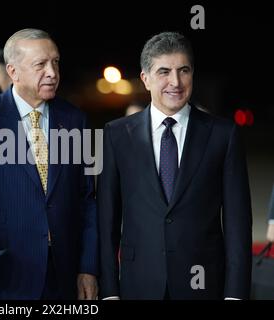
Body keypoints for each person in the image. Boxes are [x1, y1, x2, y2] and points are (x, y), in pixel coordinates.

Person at [98, 31, 252, 300]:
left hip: (204, 285)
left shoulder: (223, 135)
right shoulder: (116, 135)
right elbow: (107, 220)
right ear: (145, 79)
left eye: (184, 70)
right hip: (138, 285)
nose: (176, 82)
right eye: (164, 72)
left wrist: (235, 295)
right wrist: (109, 291)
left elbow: (239, 223)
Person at [0, 28, 98, 300]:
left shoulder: (76, 119)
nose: (52, 72)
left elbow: (87, 199)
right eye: (40, 64)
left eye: (55, 62)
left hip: (63, 276)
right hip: (0, 275)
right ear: (13, 71)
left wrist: (88, 268)